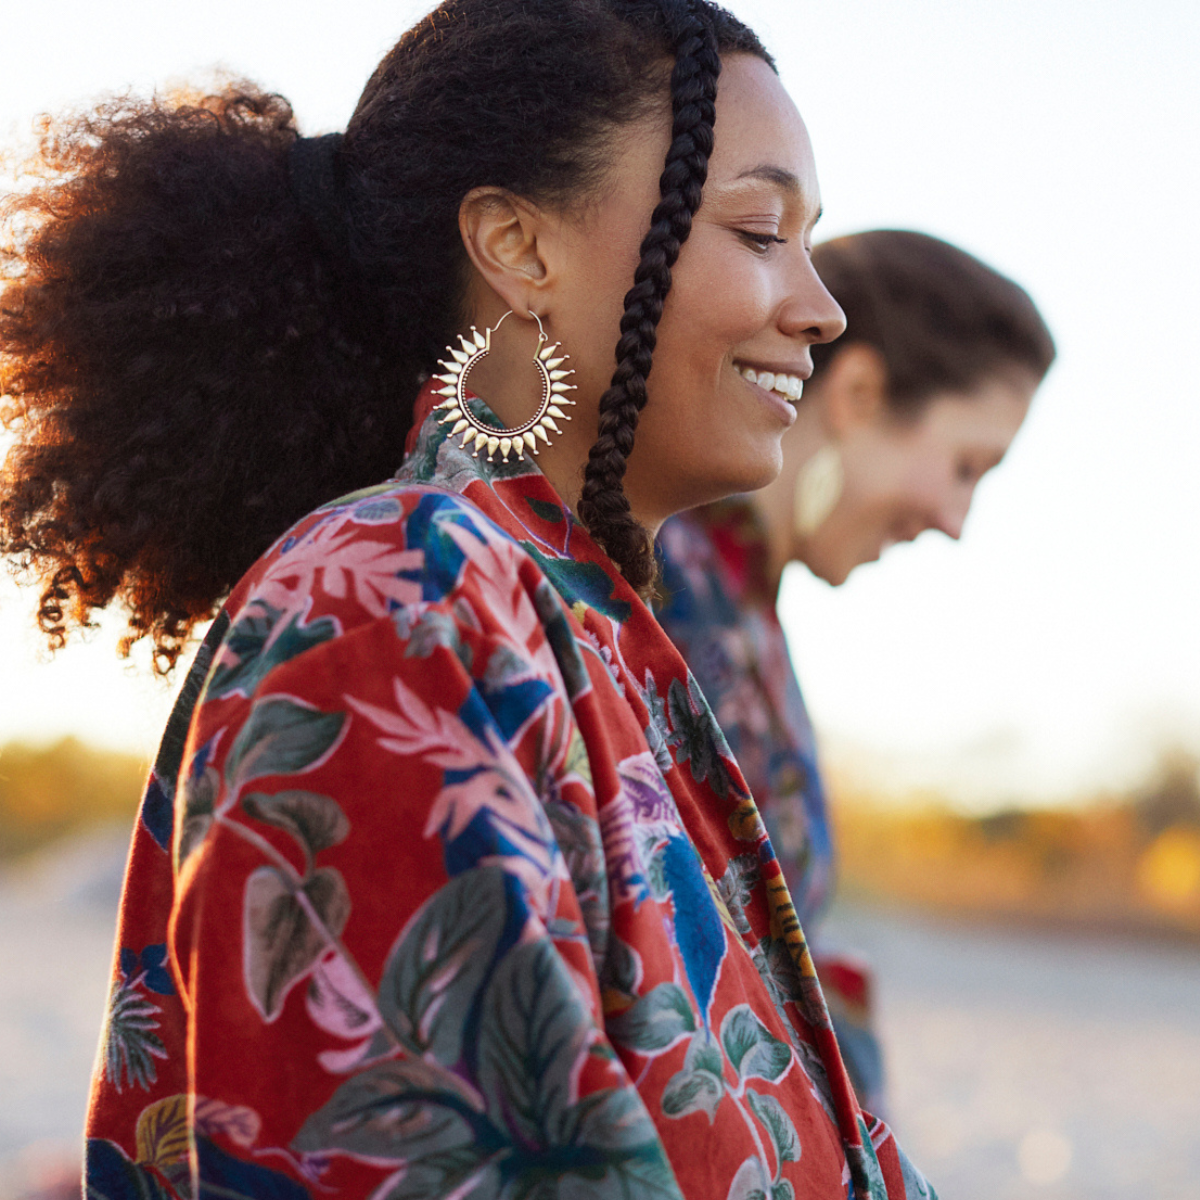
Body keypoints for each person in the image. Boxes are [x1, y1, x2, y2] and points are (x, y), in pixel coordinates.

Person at [0, 4, 938, 1198]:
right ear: (518, 247)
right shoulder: (392, 604)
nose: (821, 306)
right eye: (760, 228)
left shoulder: (575, 618)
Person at [657, 228, 1056, 1114]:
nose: (955, 519)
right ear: (863, 393)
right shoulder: (664, 584)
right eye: (965, 466)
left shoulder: (740, 601)